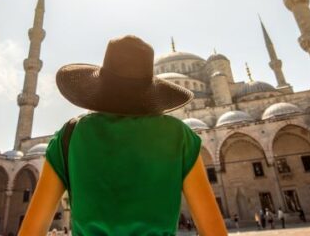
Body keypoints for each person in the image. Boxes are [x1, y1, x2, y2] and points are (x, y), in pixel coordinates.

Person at [17, 36, 228, 236]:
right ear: (149, 88)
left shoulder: (69, 136)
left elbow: (31, 231)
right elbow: (214, 231)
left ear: (101, 85)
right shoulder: (179, 136)